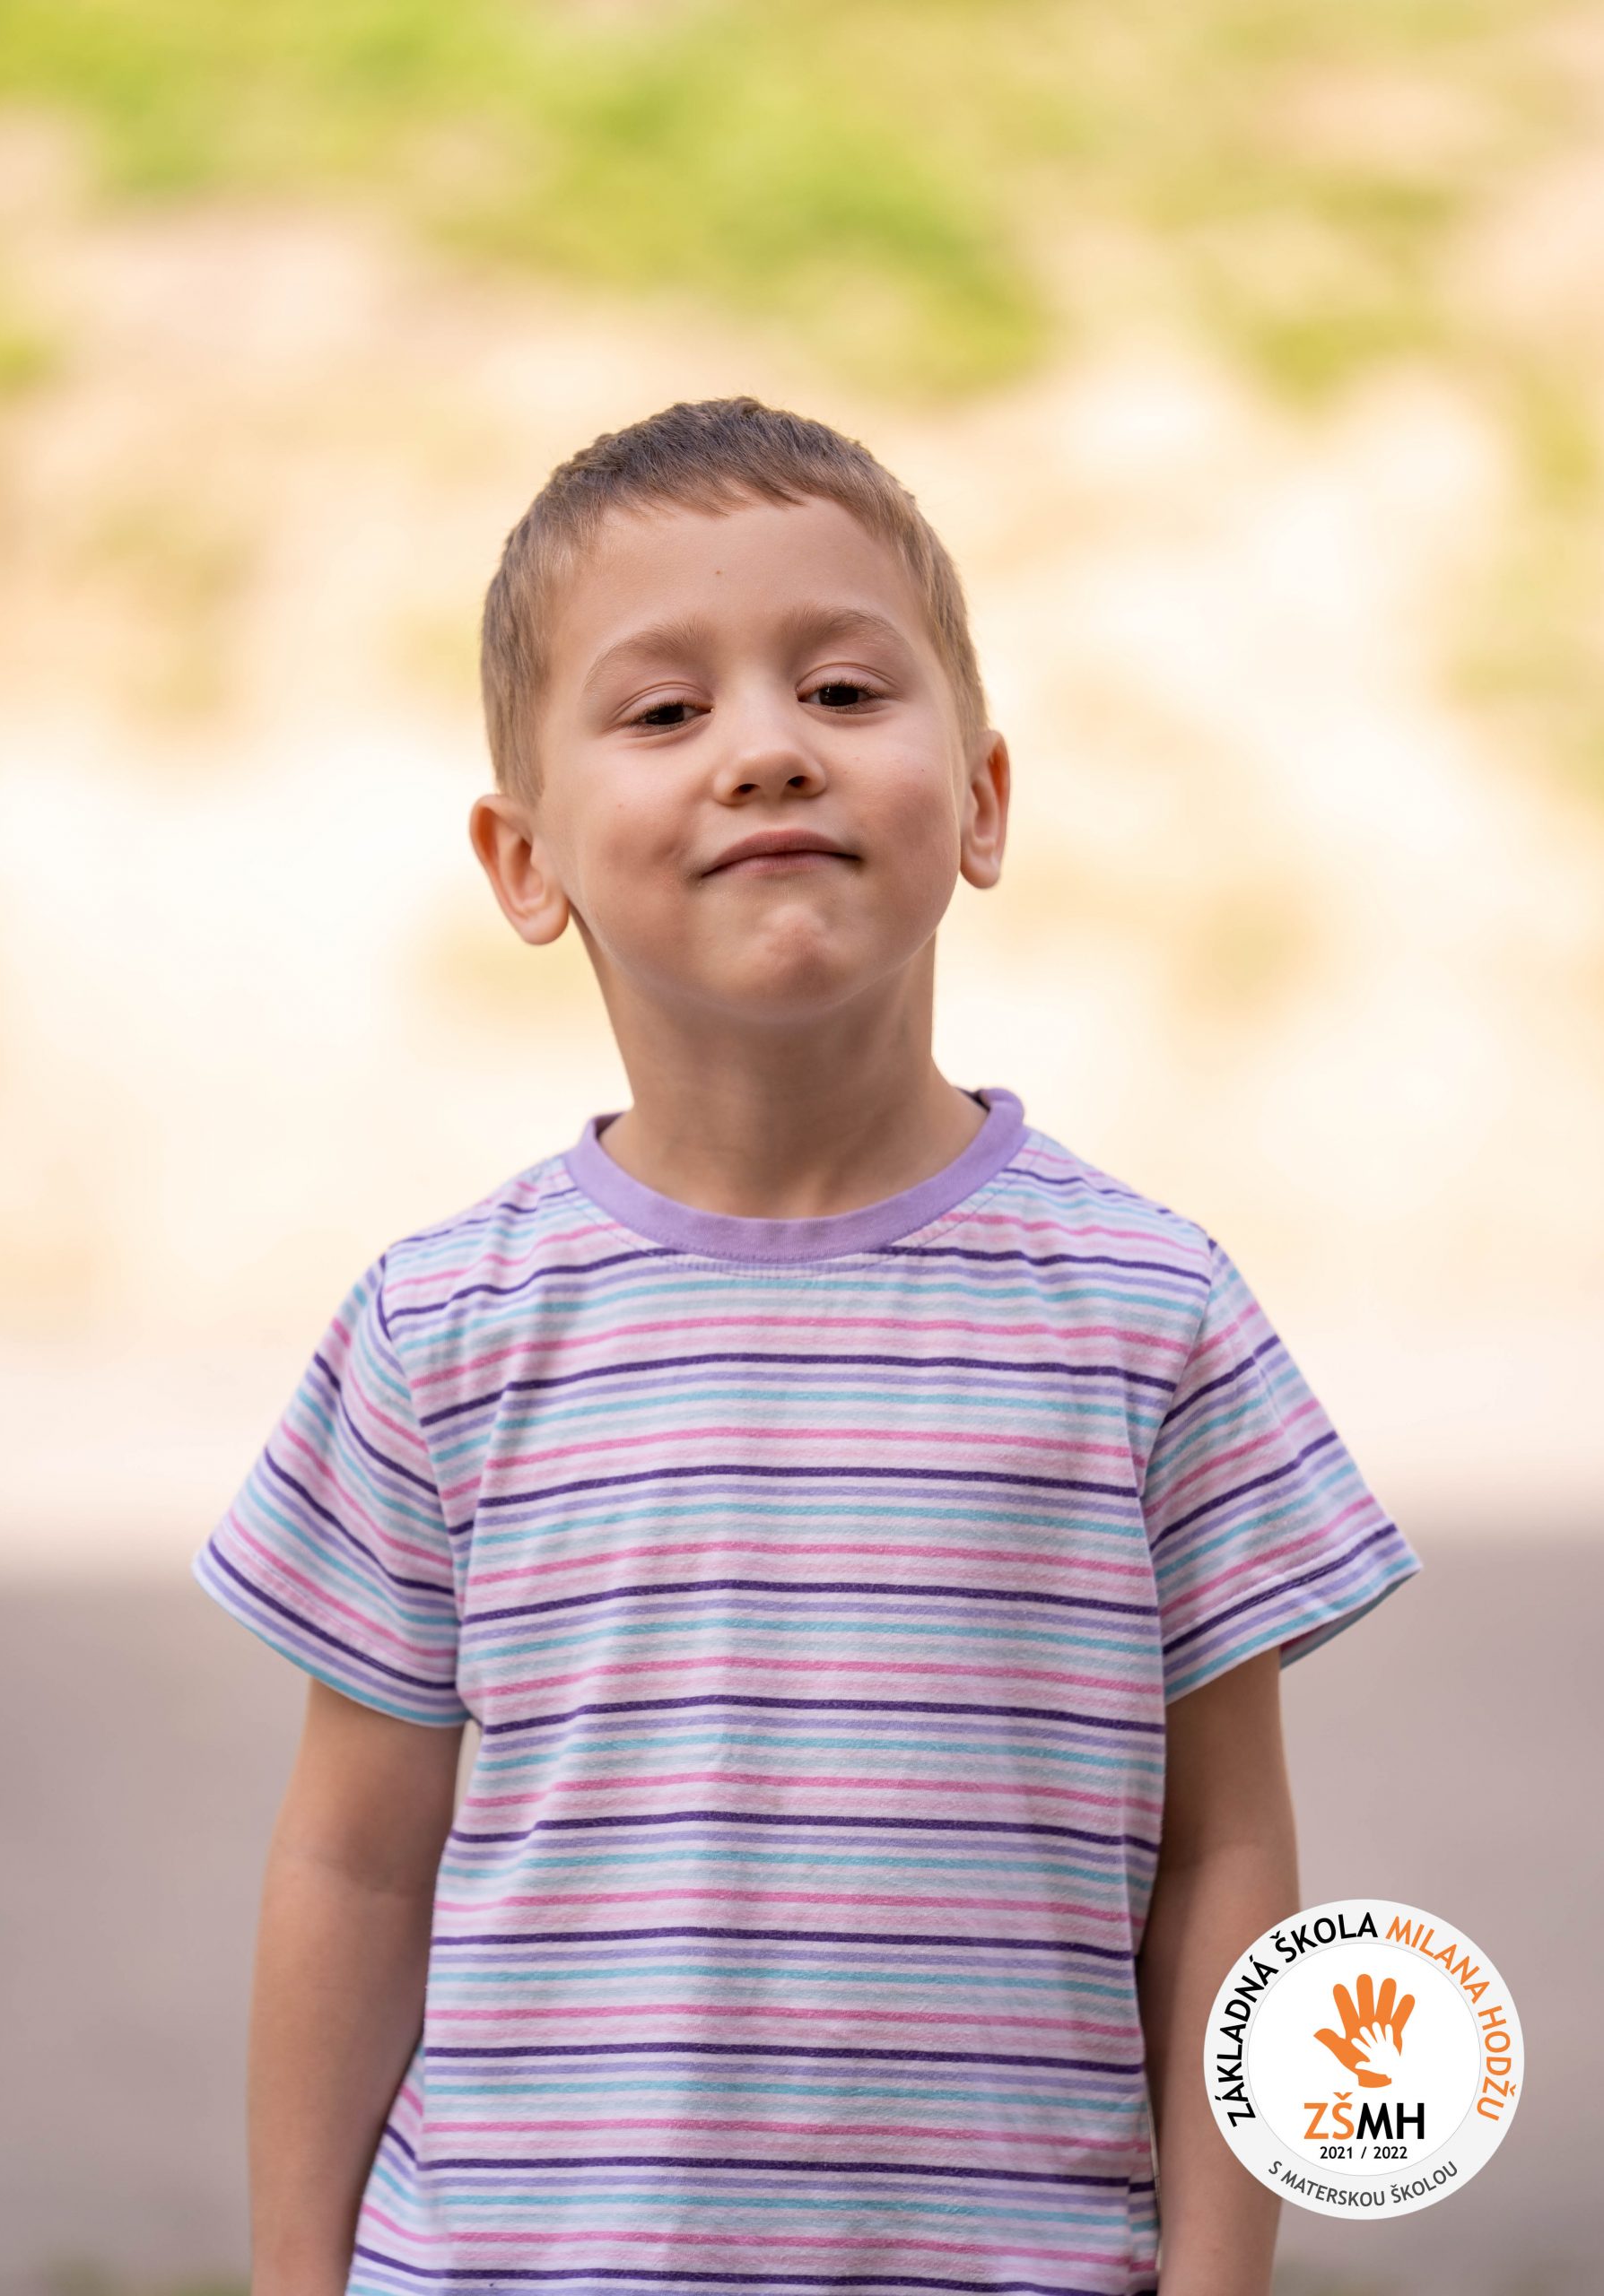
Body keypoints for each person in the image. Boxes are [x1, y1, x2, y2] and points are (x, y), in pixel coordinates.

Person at [191, 395, 1424, 2296]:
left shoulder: (1148, 1312)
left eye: (844, 690)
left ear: (983, 798)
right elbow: (353, 1863)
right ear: (525, 859)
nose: (767, 747)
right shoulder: (440, 1332)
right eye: (664, 710)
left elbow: (1224, 1861)